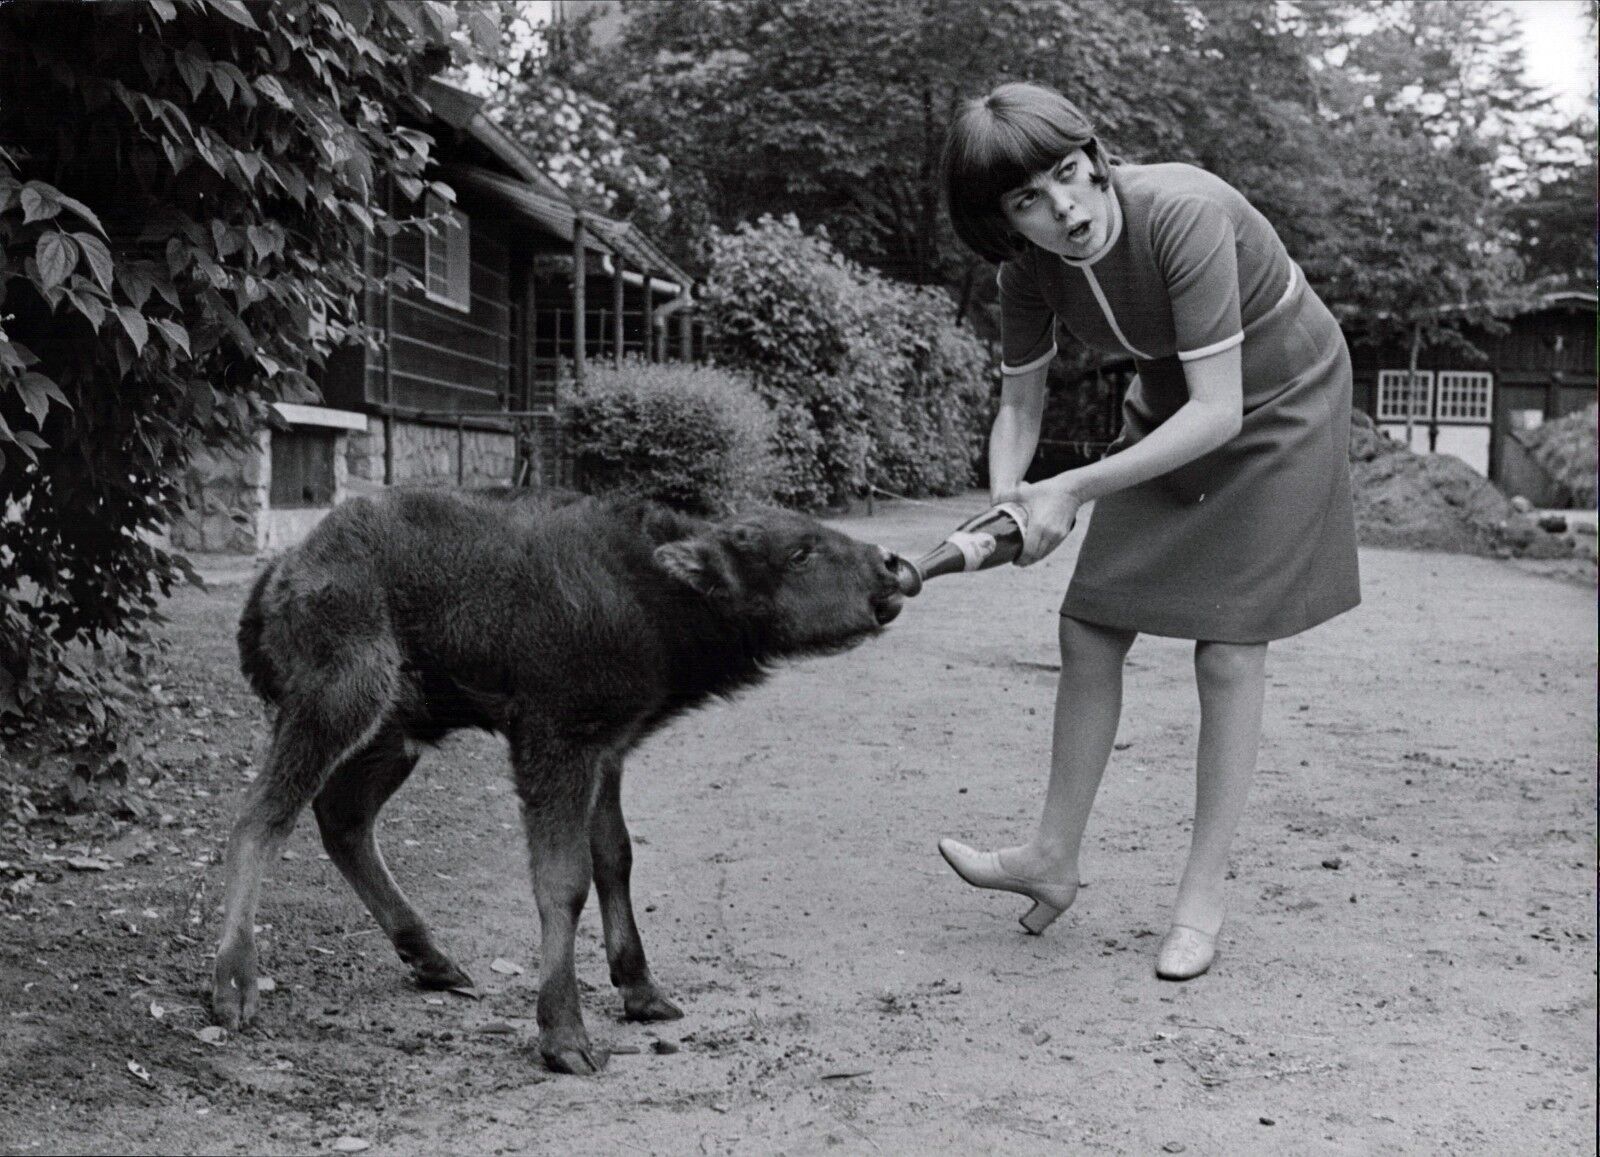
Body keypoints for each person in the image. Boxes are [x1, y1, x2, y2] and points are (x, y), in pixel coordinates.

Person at [935, 81, 1360, 980]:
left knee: (1229, 648)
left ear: (1091, 154)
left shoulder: (1184, 213)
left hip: (1281, 396)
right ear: (1003, 222)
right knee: (1090, 620)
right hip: (1177, 396)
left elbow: (1221, 410)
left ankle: (1201, 899)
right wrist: (1014, 498)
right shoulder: (1026, 274)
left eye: (1068, 172)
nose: (1065, 207)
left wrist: (1073, 489)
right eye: (1028, 201)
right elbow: (1020, 402)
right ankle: (1052, 859)